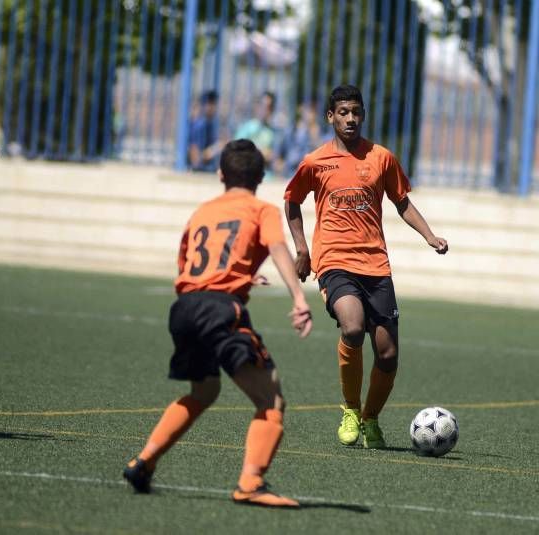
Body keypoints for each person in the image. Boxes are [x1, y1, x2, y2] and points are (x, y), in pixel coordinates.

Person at [123, 139, 313, 508]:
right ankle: (251, 483)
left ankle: (144, 462)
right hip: (219, 310)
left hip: (184, 308)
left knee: (204, 392)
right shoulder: (262, 209)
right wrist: (299, 298)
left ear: (220, 174)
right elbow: (277, 248)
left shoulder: (202, 211)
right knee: (271, 400)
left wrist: (237, 278)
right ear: (261, 176)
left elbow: (188, 265)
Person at [283, 85, 448, 449]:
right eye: (342, 112)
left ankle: (370, 419)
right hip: (334, 261)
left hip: (375, 265)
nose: (350, 118)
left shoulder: (381, 158)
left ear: (364, 115)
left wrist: (429, 236)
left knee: (388, 354)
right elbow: (292, 201)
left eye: (356, 111)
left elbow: (402, 201)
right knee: (353, 326)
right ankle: (350, 409)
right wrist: (302, 249)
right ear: (330, 116)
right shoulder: (314, 162)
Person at [234, 91, 282, 177]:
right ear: (257, 106)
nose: (265, 110)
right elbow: (236, 151)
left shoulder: (273, 132)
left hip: (267, 177)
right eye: (263, 106)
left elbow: (276, 158)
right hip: (246, 175)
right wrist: (260, 153)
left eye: (269, 107)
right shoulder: (246, 127)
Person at [279, 100, 331, 177]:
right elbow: (280, 153)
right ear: (300, 109)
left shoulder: (323, 130)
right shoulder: (291, 130)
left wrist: (314, 135)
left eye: (312, 110)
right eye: (307, 109)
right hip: (290, 172)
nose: (309, 113)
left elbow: (325, 154)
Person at [187, 90, 223, 172]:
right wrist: (217, 148)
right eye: (210, 104)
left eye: (214, 104)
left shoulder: (211, 124)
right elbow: (195, 160)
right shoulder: (199, 125)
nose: (213, 108)